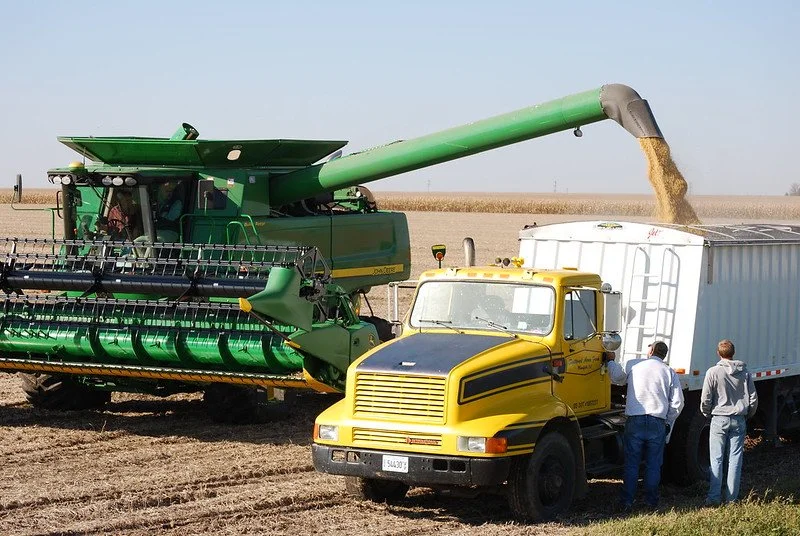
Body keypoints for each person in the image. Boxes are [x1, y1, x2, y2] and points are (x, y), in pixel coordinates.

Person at [607, 341, 685, 512]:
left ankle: (627, 501)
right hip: (657, 421)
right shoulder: (669, 372)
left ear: (650, 351)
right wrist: (667, 420)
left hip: (635, 419)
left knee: (632, 463)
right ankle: (651, 502)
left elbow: (617, 378)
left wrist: (610, 361)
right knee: (653, 464)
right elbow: (678, 403)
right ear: (664, 354)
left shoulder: (635, 364)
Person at [700, 339, 758, 506]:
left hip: (719, 418)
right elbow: (753, 398)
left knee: (716, 459)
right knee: (735, 459)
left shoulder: (712, 372)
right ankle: (731, 499)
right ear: (733, 353)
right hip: (738, 419)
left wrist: (707, 413)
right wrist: (747, 414)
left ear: (718, 353)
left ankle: (713, 497)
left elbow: (706, 398)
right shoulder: (744, 372)